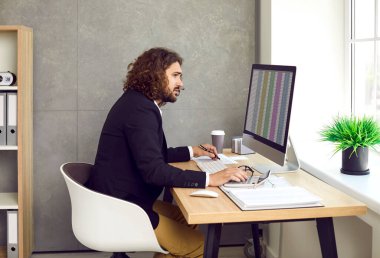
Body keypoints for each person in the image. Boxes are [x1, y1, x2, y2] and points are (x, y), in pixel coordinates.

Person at [86, 47, 248, 258]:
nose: (181, 83)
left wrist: (192, 152)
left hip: (120, 199)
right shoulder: (141, 110)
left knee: (185, 219)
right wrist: (211, 178)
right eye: (175, 76)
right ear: (155, 74)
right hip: (121, 207)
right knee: (198, 245)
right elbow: (154, 171)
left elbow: (150, 155)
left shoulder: (136, 102)